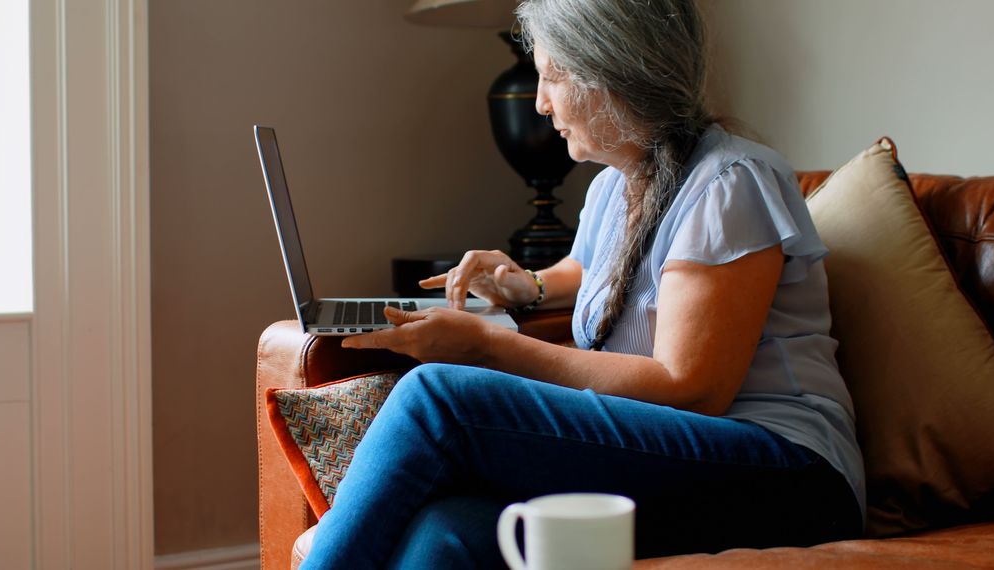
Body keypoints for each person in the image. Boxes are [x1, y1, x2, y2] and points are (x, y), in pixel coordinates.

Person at [300, 0, 864, 567]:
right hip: (682, 458)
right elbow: (601, 274)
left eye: (552, 76)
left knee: (436, 400)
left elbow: (692, 388)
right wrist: (526, 286)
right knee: (446, 530)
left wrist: (487, 346)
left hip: (787, 473)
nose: (541, 102)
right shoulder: (616, 187)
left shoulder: (728, 184)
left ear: (613, 73)